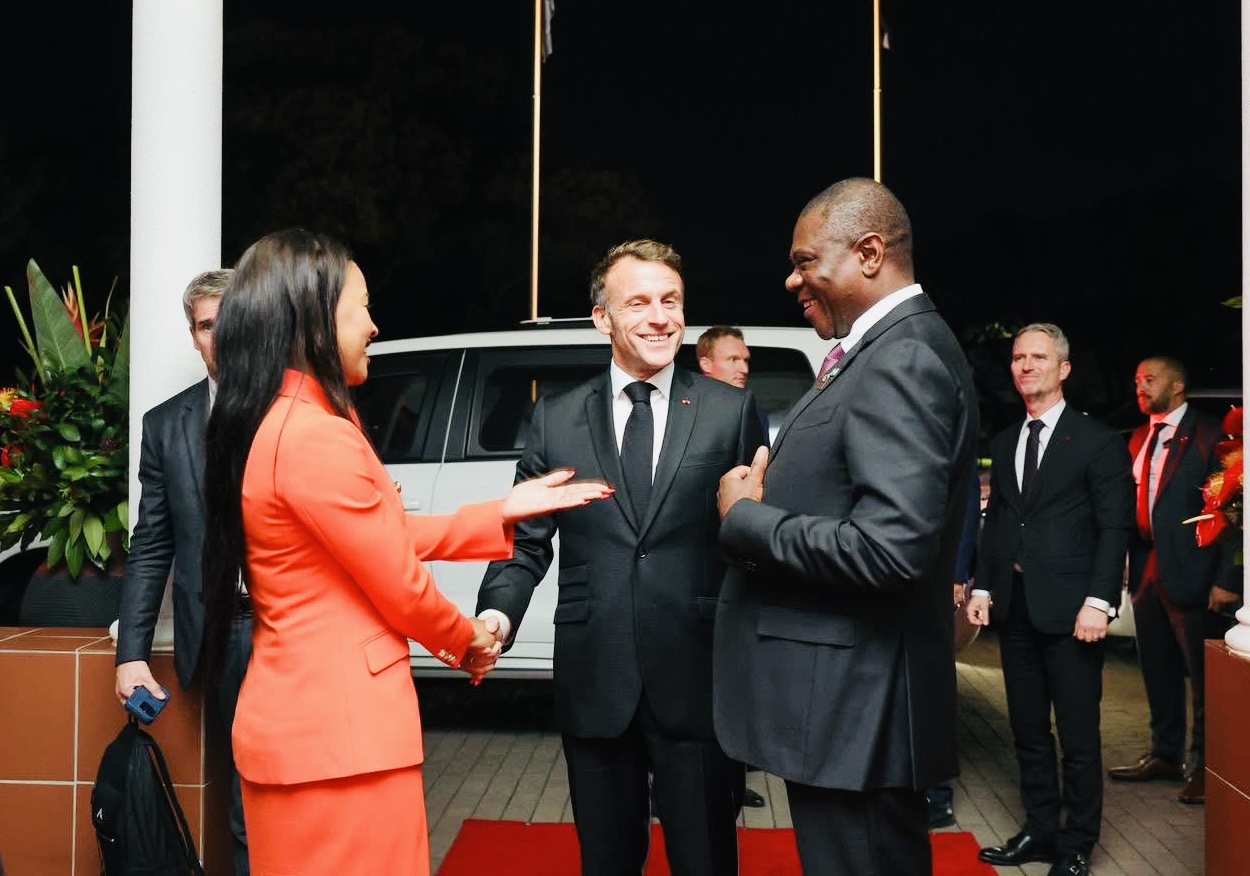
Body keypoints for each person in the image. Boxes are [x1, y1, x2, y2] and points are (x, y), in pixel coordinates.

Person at [198, 228, 612, 876]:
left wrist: (497, 512)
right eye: (359, 307)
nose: (373, 325)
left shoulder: (280, 421)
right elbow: (397, 579)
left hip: (309, 733)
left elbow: (368, 542)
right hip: (342, 738)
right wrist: (468, 639)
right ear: (313, 319)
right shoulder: (316, 437)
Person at [714, 177, 980, 876]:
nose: (792, 278)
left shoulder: (904, 358)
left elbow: (889, 550)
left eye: (806, 261)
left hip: (858, 711)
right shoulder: (882, 352)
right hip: (846, 711)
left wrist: (748, 520)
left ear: (869, 253)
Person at [476, 238, 767, 875]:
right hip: (596, 673)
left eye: (671, 301)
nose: (660, 317)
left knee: (707, 859)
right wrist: (496, 618)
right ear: (602, 318)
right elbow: (525, 541)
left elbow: (751, 541)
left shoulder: (730, 412)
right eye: (638, 302)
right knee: (606, 862)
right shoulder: (555, 420)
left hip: (698, 677)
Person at [967, 323, 1135, 876]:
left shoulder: (1097, 441)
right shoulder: (1007, 439)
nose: (1025, 366)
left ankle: (1078, 842)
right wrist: (984, 586)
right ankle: (1040, 830)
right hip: (1015, 609)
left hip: (1072, 614)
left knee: (1079, 738)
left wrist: (1099, 602)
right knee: (1028, 731)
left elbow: (1115, 530)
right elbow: (1001, 524)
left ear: (1063, 369)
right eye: (1017, 358)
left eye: (1038, 357)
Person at [113, 269, 253, 873]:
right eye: (205, 326)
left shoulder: (300, 407)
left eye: (231, 322)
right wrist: (132, 654)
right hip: (224, 636)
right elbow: (151, 546)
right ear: (193, 338)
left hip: (298, 629)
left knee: (290, 793)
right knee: (246, 804)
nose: (219, 336)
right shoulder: (166, 426)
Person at [1105, 356, 1240, 804]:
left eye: (1150, 378)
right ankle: (1165, 754)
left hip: (1195, 571)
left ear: (1178, 385)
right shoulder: (1141, 435)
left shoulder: (1210, 433)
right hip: (1146, 567)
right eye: (1137, 378)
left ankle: (1207, 768)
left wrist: (1228, 579)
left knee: (1202, 678)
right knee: (1156, 668)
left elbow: (1232, 510)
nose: (1139, 385)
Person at [695, 323, 768, 811]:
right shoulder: (685, 409)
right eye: (733, 359)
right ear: (706, 363)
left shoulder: (749, 410)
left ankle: (730, 778)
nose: (744, 367)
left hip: (735, 562)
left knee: (732, 677)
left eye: (746, 360)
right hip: (694, 569)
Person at [926, 475, 984, 830]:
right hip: (885, 579)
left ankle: (937, 794)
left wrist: (957, 576)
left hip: (936, 581)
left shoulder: (947, 427)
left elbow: (964, 504)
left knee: (933, 691)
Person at [696, 324, 750, 388]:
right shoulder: (688, 396)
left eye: (746, 360)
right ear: (706, 365)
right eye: (734, 359)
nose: (745, 370)